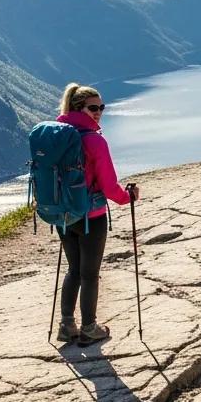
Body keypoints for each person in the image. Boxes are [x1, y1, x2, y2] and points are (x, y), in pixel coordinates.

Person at [55, 83, 138, 346]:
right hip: (92, 216)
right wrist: (128, 197)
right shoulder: (94, 140)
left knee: (74, 270)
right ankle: (89, 328)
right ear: (79, 108)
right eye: (94, 108)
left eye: (101, 107)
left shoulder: (57, 134)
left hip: (64, 214)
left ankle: (67, 325)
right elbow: (109, 186)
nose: (99, 111)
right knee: (90, 273)